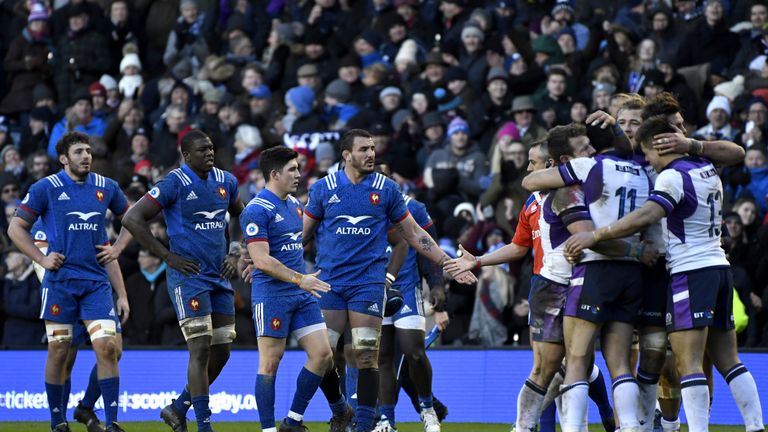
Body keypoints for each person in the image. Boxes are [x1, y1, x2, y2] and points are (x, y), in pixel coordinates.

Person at [564, 116, 764, 432]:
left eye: (649, 153)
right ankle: (755, 427)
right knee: (729, 361)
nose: (650, 161)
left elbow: (648, 214)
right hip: (719, 268)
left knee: (688, 363)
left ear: (660, 145)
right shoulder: (704, 166)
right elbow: (735, 152)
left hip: (691, 271)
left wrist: (597, 235)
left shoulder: (672, 177)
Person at [302, 129, 475, 432]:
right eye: (364, 149)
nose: (371, 153)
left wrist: (448, 264)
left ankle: (368, 422)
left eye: (372, 148)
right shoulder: (322, 189)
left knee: (369, 355)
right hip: (330, 284)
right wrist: (274, 265)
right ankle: (341, 409)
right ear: (346, 155)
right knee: (325, 355)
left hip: (370, 286)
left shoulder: (387, 189)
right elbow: (301, 237)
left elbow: (414, 235)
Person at [521, 121, 650, 432]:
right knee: (547, 368)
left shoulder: (592, 176)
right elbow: (586, 235)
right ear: (568, 161)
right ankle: (523, 427)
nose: (591, 151)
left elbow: (592, 239)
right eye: (584, 149)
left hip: (591, 275)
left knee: (583, 363)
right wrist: (636, 251)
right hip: (555, 284)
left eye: (592, 145)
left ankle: (607, 425)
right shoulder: (569, 192)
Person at [8, 131, 131, 432]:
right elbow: (15, 229)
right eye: (78, 152)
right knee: (60, 351)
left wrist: (118, 251)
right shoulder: (45, 188)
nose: (86, 156)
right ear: (64, 158)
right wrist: (42, 259)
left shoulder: (106, 186)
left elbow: (133, 220)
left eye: (88, 151)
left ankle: (111, 422)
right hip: (60, 284)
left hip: (95, 284)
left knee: (108, 347)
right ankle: (57, 421)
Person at [121, 130, 243, 432]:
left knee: (223, 350)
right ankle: (204, 424)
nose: (210, 153)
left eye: (212, 147)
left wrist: (235, 252)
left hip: (219, 275)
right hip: (188, 277)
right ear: (186, 156)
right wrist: (167, 256)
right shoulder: (173, 182)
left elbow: (243, 216)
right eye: (202, 150)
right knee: (200, 349)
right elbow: (132, 219)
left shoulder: (226, 181)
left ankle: (178, 407)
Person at [239, 146, 337, 432]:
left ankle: (293, 420)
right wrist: (297, 278)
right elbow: (261, 258)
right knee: (270, 362)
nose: (299, 173)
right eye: (292, 169)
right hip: (272, 296)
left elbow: (281, 249)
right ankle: (268, 429)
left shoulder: (294, 204)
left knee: (323, 354)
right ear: (274, 174)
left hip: (299, 292)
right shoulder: (256, 209)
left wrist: (293, 278)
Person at [30, 218, 131, 432]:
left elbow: (107, 254)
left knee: (114, 350)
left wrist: (121, 294)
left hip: (96, 292)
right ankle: (59, 421)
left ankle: (86, 407)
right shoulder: (44, 222)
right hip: (66, 294)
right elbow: (42, 266)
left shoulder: (91, 215)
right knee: (64, 360)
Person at [375, 160, 447, 432]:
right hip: (374, 291)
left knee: (413, 352)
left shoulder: (413, 208)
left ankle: (427, 409)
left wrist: (437, 285)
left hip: (406, 288)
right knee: (381, 358)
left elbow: (430, 250)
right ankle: (386, 421)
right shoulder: (363, 206)